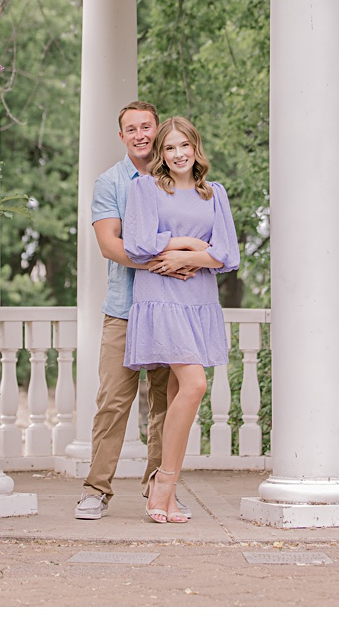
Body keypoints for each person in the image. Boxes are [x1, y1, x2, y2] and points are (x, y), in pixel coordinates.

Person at [120, 116, 239, 523]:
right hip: (161, 297)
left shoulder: (214, 194)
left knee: (177, 396)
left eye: (184, 146)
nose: (178, 154)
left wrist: (183, 257)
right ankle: (163, 487)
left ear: (195, 147)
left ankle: (164, 493)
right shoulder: (146, 188)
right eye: (169, 148)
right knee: (195, 383)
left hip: (198, 298)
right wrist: (190, 244)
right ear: (161, 154)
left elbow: (226, 254)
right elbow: (137, 243)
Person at [76, 101, 173, 520]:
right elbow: (109, 245)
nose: (139, 135)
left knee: (165, 405)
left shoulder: (178, 177)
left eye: (146, 126)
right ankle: (96, 490)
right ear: (122, 136)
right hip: (125, 309)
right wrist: (161, 259)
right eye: (131, 129)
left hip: (171, 308)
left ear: (157, 130)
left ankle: (159, 490)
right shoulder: (110, 182)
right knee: (113, 402)